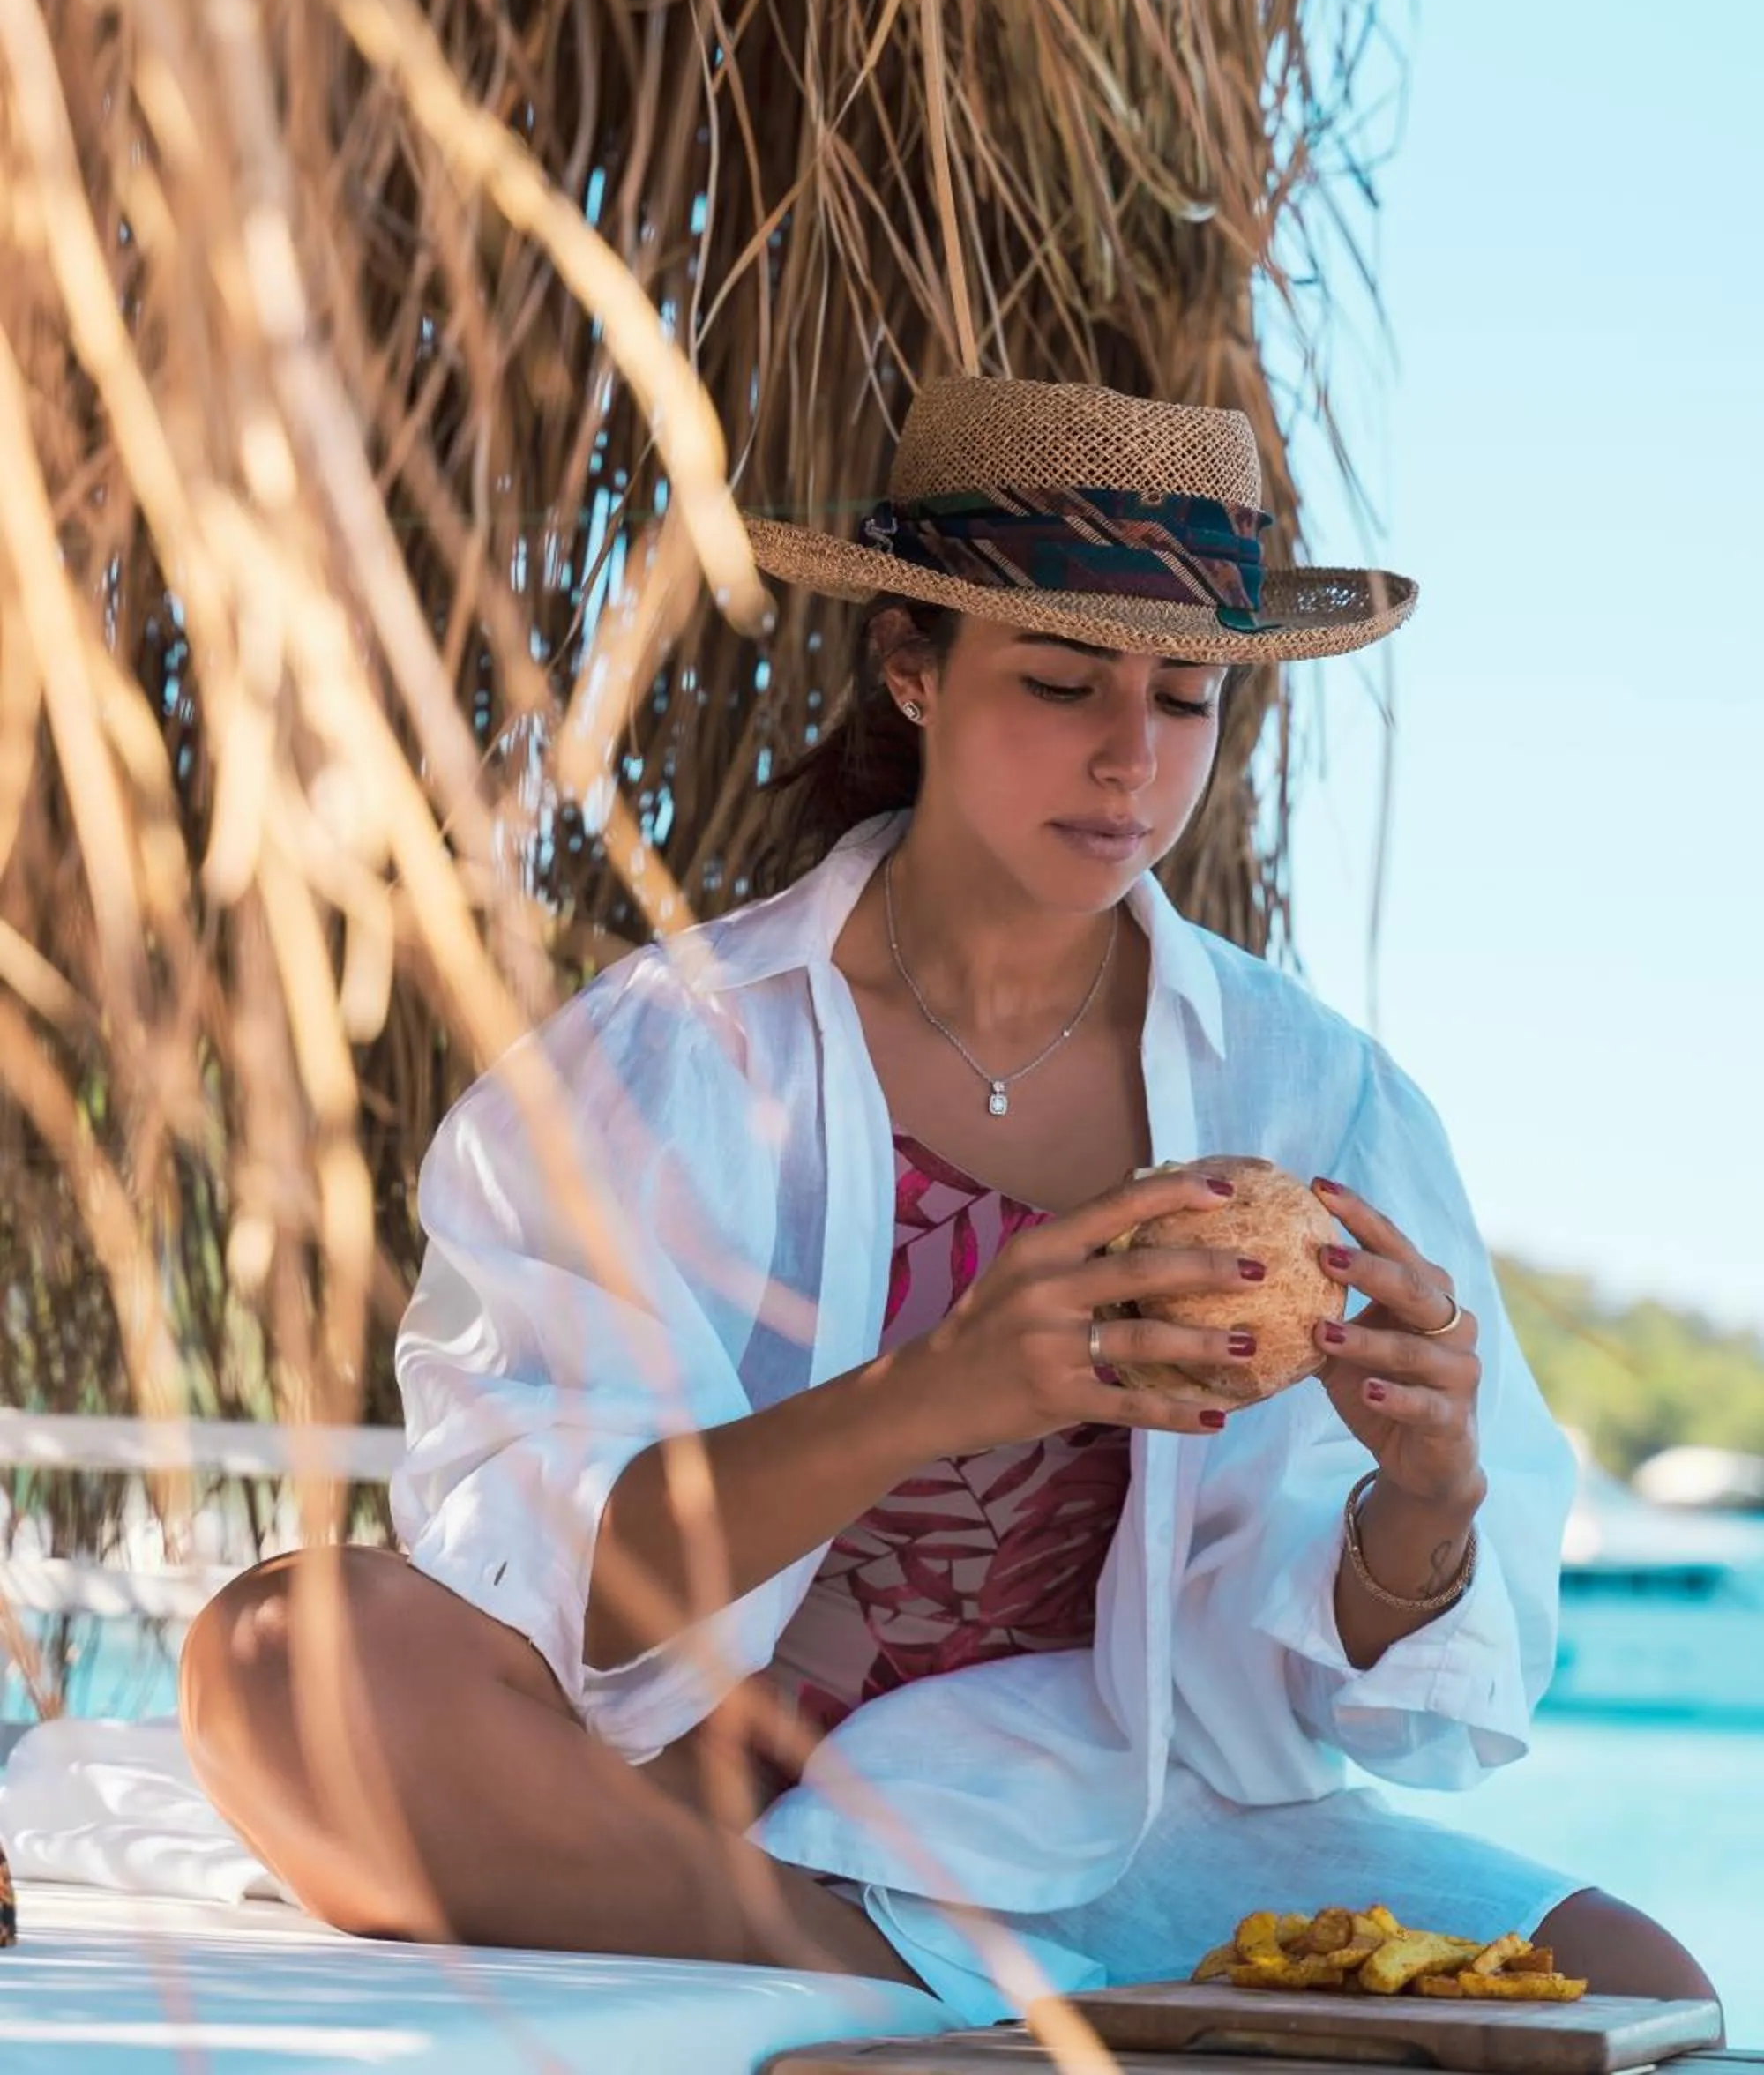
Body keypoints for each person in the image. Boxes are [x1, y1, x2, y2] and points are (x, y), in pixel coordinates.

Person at [178, 377, 1717, 2019]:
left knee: (1639, 1987)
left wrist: (1426, 1500)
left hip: (1104, 1825)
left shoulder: (1315, 1094)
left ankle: (910, 1996)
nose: (1131, 759)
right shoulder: (672, 1058)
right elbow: (561, 1580)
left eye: (1187, 699)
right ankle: (915, 1992)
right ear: (913, 670)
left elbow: (1335, 1695)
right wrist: (943, 1390)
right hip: (696, 1807)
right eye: (1060, 683)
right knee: (283, 1656)